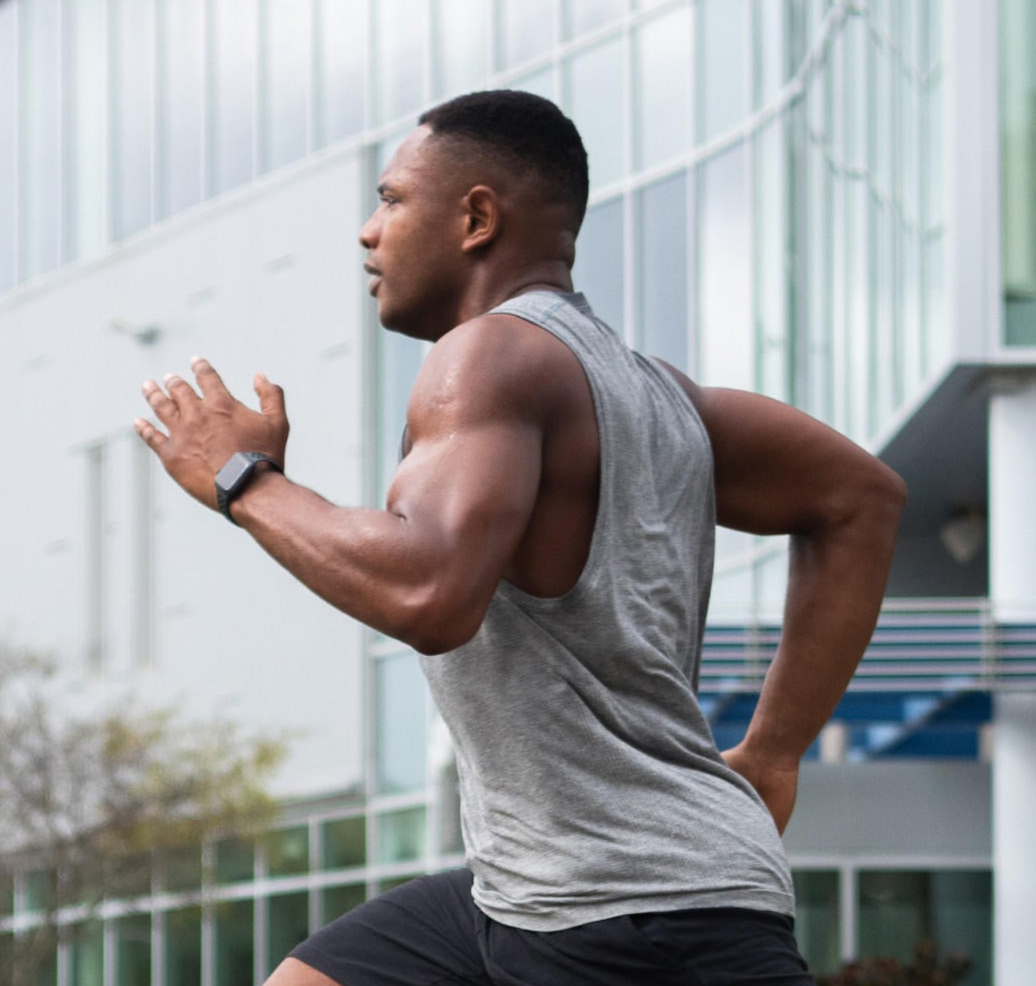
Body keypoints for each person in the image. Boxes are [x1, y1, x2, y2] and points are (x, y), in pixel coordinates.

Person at [134, 90, 906, 986]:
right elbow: (861, 498)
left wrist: (245, 482)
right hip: (537, 888)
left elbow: (431, 593)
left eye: (391, 200)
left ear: (475, 218)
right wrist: (773, 751)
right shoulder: (659, 395)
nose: (367, 232)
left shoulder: (487, 356)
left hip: (631, 919)